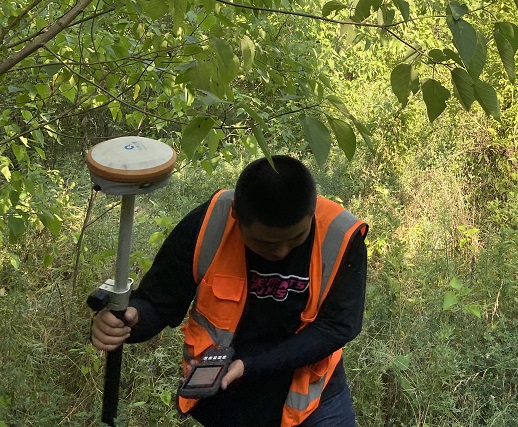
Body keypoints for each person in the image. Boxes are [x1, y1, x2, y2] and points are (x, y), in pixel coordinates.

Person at [90, 155, 368, 427]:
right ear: (237, 214)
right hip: (226, 394)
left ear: (311, 213)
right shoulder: (210, 224)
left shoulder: (340, 235)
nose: (281, 251)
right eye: (266, 243)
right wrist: (130, 321)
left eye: (296, 238)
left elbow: (338, 326)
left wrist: (251, 365)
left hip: (312, 396)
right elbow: (158, 303)